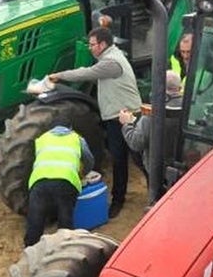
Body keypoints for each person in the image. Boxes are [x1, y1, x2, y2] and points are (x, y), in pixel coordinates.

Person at [48, 27, 142, 218]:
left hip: (124, 117)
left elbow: (86, 73)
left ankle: (153, 195)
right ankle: (120, 197)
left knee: (137, 159)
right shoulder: (111, 56)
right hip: (117, 116)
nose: (90, 48)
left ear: (103, 44)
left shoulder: (111, 63)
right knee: (122, 159)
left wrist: (58, 76)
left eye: (92, 45)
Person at [24, 121, 94, 246]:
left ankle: (30, 249)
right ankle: (64, 248)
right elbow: (89, 160)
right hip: (66, 180)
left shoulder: (42, 138)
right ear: (70, 128)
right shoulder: (77, 139)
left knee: (36, 218)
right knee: (65, 218)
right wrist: (82, 174)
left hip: (39, 181)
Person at [117, 70, 183, 178]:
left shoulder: (152, 116)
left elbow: (136, 143)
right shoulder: (190, 110)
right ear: (180, 89)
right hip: (184, 168)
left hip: (158, 172)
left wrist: (127, 124)